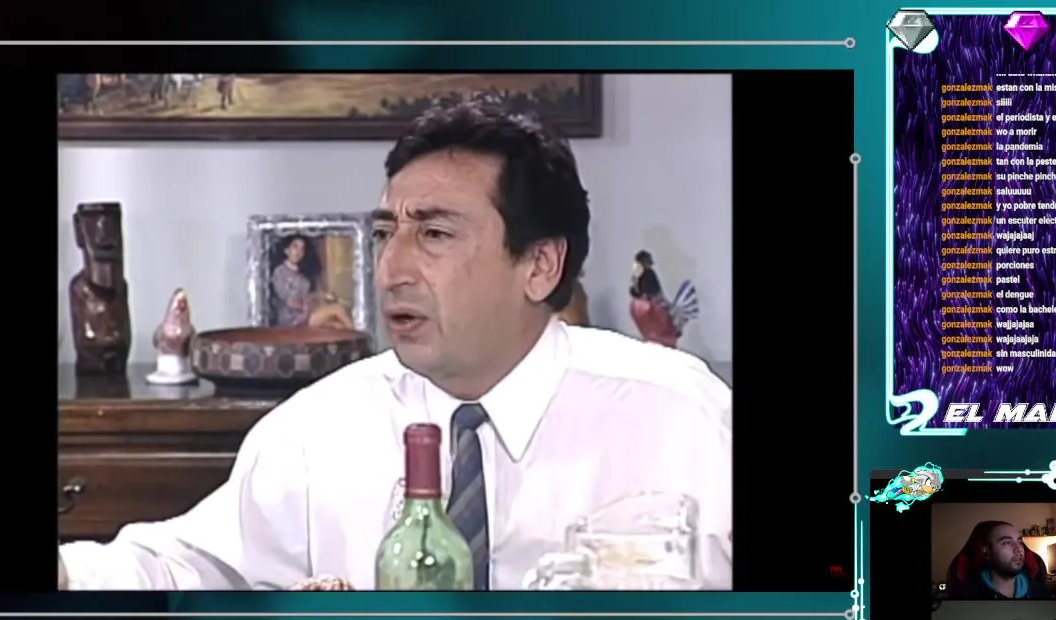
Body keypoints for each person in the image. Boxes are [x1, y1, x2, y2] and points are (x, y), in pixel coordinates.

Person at [58, 96, 733, 591]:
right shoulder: (315, 430)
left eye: (434, 234)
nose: (391, 269)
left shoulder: (681, 417)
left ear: (539, 265)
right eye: (386, 234)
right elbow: (181, 569)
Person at [945, 521, 1050, 599]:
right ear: (987, 552)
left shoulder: (1040, 591)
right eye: (1006, 543)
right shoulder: (966, 594)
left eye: (1020, 542)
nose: (1019, 549)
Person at [270, 235, 313, 327]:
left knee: (335, 325)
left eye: (302, 249)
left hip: (305, 317)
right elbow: (289, 302)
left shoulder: (304, 279)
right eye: (295, 247)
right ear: (286, 250)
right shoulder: (279, 272)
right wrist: (305, 305)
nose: (298, 252)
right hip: (289, 321)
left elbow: (307, 299)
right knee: (336, 310)